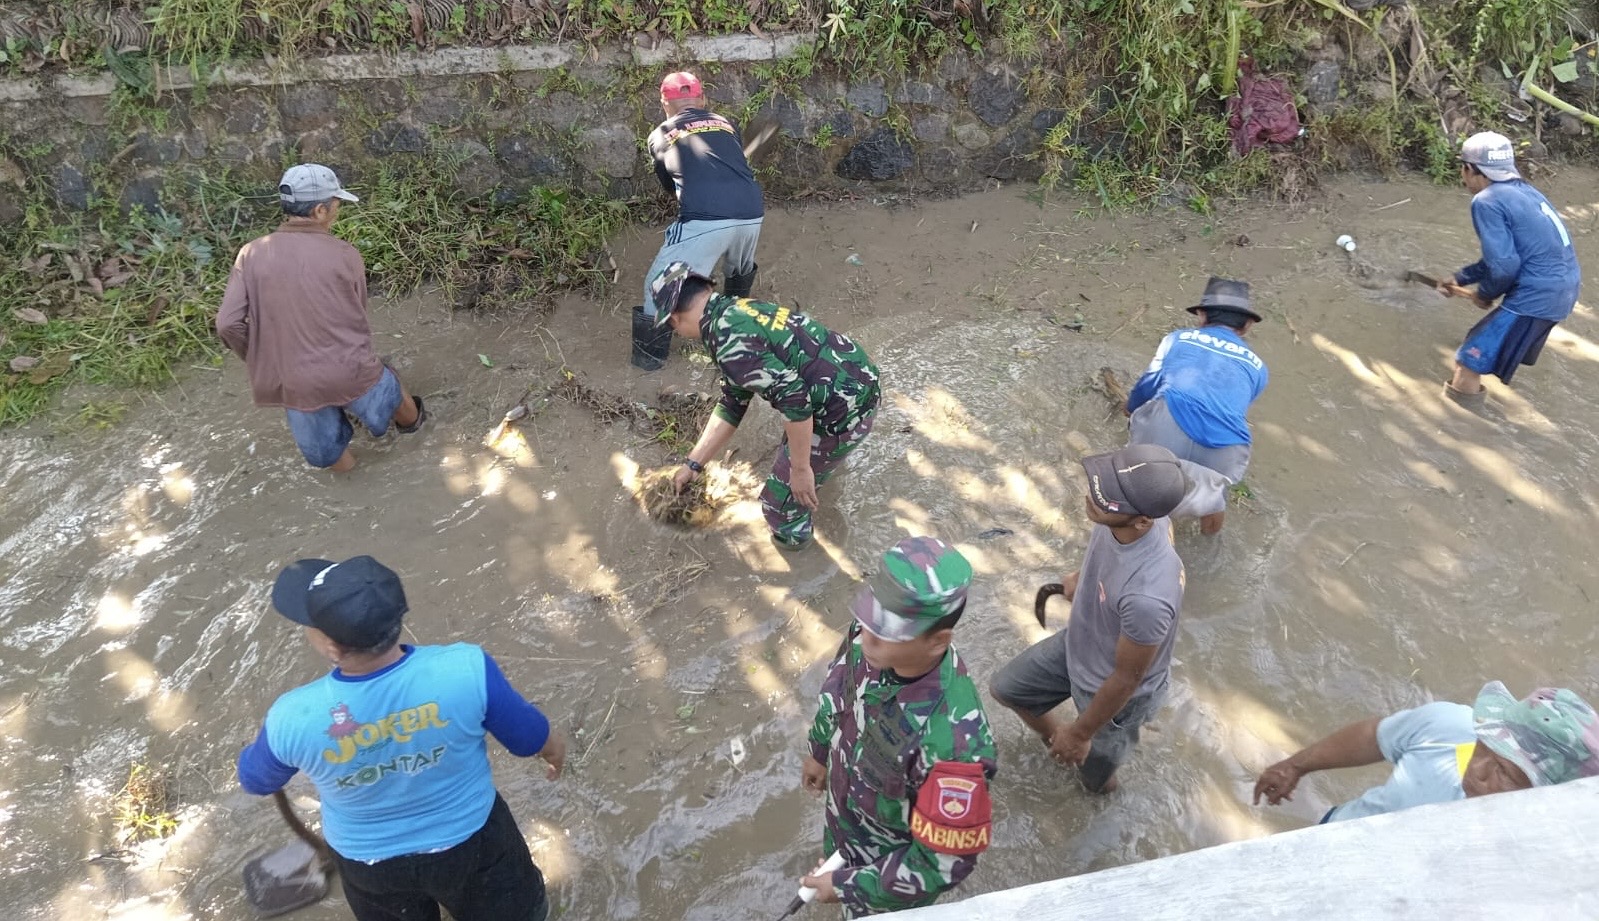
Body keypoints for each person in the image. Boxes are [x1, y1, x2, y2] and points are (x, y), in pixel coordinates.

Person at [236, 555, 566, 921]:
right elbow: (529, 739)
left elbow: (255, 779)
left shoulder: (292, 716)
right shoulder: (464, 669)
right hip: (473, 843)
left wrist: (259, 746)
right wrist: (554, 751)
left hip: (369, 864)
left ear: (330, 646)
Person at [801, 537, 998, 917]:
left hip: (887, 878)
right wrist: (819, 750)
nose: (865, 635)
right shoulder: (871, 641)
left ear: (938, 641)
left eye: (889, 629)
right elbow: (840, 689)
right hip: (846, 820)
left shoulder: (955, 749)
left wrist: (846, 887)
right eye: (871, 615)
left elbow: (939, 865)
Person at [989, 444, 1186, 794]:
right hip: (1079, 643)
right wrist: (1084, 575)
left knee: (1095, 781)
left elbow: (1126, 678)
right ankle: (1062, 741)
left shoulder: (1147, 600)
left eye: (1106, 498)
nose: (1092, 497)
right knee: (1008, 689)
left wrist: (1082, 732)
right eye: (1100, 486)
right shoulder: (1129, 513)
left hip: (1113, 690)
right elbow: (1135, 541)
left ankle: (1093, 774)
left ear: (1142, 521)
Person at [653, 261, 879, 550]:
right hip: (860, 377)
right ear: (707, 287)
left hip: (843, 411)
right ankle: (818, 467)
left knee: (779, 506)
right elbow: (733, 402)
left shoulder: (727, 342)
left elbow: (796, 402)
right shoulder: (734, 311)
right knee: (799, 452)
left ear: (673, 320)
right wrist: (693, 464)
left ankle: (800, 558)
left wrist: (799, 470)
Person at [216, 164, 426, 472]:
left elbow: (227, 323)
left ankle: (358, 491)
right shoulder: (344, 253)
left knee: (327, 455)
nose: (338, 210)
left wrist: (263, 357)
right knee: (392, 392)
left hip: (293, 382)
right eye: (336, 204)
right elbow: (356, 314)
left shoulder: (250, 254)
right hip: (347, 368)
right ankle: (418, 431)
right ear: (319, 210)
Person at [1254, 681, 1599, 823]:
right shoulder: (1449, 725)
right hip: (1333, 835)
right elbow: (1373, 736)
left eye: (1506, 774)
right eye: (1485, 744)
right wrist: (1296, 765)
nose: (1477, 769)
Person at [1435, 131, 1581, 406]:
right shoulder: (1525, 191)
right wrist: (1462, 277)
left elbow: (1504, 265)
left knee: (1469, 361)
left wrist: (1485, 293)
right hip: (1565, 290)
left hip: (1535, 296)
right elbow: (1510, 256)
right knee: (1476, 342)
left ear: (1469, 168)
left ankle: (1461, 427)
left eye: (1463, 169)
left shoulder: (1486, 200)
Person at [632, 70, 766, 370]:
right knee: (738, 274)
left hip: (705, 216)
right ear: (703, 99)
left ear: (664, 103)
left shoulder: (660, 134)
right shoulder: (727, 124)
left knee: (659, 286)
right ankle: (735, 338)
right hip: (752, 212)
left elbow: (668, 185)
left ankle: (648, 366)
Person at [1125, 277, 1267, 535]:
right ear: (1246, 326)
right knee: (1213, 497)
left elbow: (1147, 386)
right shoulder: (1258, 367)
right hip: (1227, 447)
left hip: (1166, 425)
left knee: (1138, 488)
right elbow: (1230, 407)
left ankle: (1132, 541)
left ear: (1201, 315)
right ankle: (1209, 543)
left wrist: (1130, 409)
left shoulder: (1177, 339)